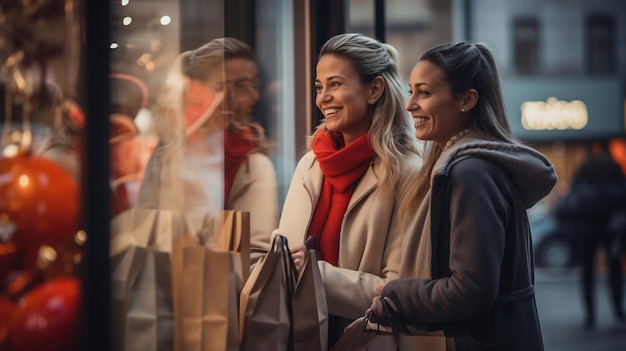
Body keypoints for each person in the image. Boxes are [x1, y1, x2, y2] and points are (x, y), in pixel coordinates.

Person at [366, 42, 557, 350]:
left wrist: (397, 293)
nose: (409, 105)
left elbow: (471, 290)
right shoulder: (464, 166)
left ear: (467, 100)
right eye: (410, 91)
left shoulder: (471, 173)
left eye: (424, 93)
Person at [266, 33, 423, 348]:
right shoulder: (311, 163)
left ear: (374, 89)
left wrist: (317, 275)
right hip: (295, 337)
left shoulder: (407, 172)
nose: (323, 97)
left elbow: (399, 290)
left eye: (335, 84)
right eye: (319, 86)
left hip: (364, 342)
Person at [137, 37, 278, 252]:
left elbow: (253, 256)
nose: (251, 96)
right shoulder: (168, 154)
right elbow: (145, 237)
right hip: (165, 281)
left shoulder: (254, 166)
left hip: (223, 283)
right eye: (223, 86)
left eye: (250, 86)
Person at [555, 140, 626, 328]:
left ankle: (590, 315)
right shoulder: (614, 168)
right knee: (614, 269)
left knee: (587, 271)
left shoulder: (584, 169)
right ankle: (618, 310)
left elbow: (574, 198)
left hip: (586, 227)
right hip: (610, 226)